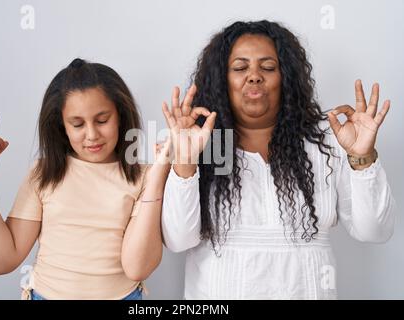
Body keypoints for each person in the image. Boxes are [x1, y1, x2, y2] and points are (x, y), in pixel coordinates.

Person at [161, 20, 395, 299]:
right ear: (221, 80)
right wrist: (186, 159)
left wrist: (362, 157)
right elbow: (177, 240)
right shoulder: (202, 143)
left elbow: (374, 231)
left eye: (268, 67)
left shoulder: (326, 142)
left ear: (287, 77)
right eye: (239, 68)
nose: (254, 76)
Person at [0, 58, 170, 300]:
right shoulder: (44, 173)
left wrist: (158, 177)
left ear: (120, 115)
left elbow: (139, 267)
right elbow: (3, 260)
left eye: (102, 120)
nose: (92, 135)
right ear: (62, 126)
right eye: (77, 124)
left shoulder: (145, 177)